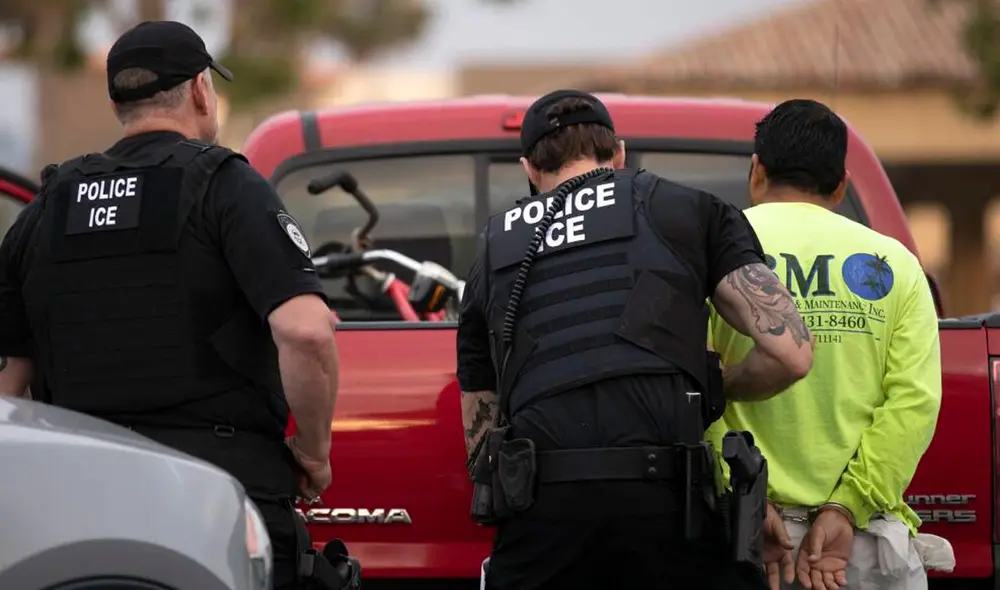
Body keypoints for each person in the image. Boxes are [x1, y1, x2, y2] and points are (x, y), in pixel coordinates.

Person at [0, 21, 340, 590]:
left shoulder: (48, 205)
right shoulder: (224, 184)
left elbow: (10, 389)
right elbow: (306, 332)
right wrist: (313, 453)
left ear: (117, 102)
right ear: (202, 90)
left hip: (80, 499)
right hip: (216, 494)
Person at [457, 89, 815, 590]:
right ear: (619, 153)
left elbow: (480, 431)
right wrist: (719, 382)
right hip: (669, 507)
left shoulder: (494, 248)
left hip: (544, 514)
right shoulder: (686, 207)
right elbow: (792, 353)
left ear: (530, 171)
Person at [706, 99, 943, 590]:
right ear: (841, 186)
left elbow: (691, 389)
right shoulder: (895, 264)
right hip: (861, 546)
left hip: (745, 541)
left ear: (757, 172)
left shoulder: (712, 255)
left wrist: (747, 499)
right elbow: (915, 400)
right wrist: (847, 505)